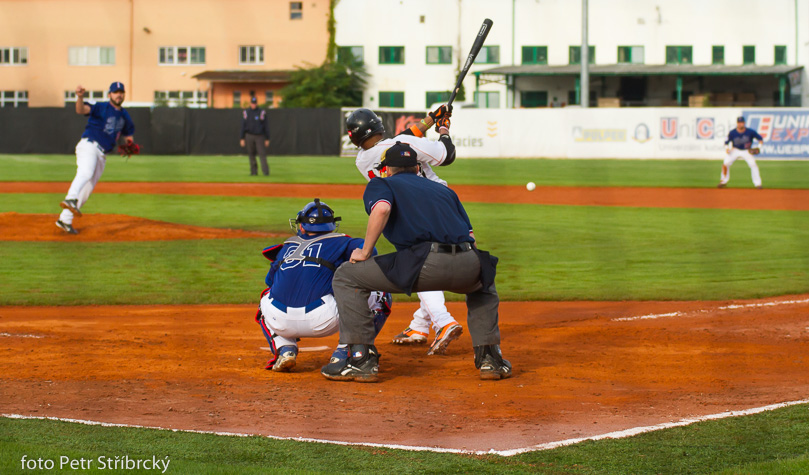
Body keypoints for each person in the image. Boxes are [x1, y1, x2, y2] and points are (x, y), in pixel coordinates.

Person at [322, 141, 512, 383]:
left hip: (425, 263)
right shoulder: (444, 191)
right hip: (468, 263)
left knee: (347, 276)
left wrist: (365, 251)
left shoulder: (382, 183)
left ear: (387, 169)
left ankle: (361, 360)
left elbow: (381, 210)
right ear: (417, 168)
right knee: (484, 285)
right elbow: (471, 238)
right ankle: (490, 359)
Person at [345, 105, 462, 356]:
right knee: (423, 265)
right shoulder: (404, 141)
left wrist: (429, 119)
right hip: (437, 204)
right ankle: (443, 321)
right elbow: (447, 155)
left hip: (403, 210)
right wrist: (443, 129)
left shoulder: (363, 159)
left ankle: (419, 326)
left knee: (421, 263)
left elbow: (402, 139)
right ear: (378, 126)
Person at [254, 199, 392, 372]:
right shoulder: (343, 242)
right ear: (332, 226)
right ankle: (345, 351)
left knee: (266, 297)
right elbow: (370, 250)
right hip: (323, 320)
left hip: (279, 321)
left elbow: (270, 282)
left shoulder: (287, 246)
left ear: (301, 227)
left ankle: (284, 348)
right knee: (380, 293)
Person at [56, 82, 135, 234]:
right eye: (116, 92)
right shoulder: (101, 107)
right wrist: (80, 97)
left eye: (121, 92)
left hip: (102, 154)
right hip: (89, 146)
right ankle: (70, 198)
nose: (119, 95)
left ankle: (64, 220)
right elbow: (81, 110)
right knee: (85, 172)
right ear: (109, 94)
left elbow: (128, 134)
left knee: (86, 191)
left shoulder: (124, 115)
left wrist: (130, 145)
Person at [718, 116, 764, 189]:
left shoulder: (750, 132)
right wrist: (727, 148)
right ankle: (723, 181)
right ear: (737, 123)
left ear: (744, 123)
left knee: (753, 165)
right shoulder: (732, 132)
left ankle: (758, 184)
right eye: (739, 123)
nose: (740, 124)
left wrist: (759, 147)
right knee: (725, 163)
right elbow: (726, 142)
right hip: (735, 150)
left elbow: (760, 139)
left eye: (741, 123)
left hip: (747, 150)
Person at [240, 96, 271, 176]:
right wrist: (242, 138)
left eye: (255, 103)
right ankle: (254, 172)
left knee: (262, 154)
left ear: (257, 103)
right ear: (250, 103)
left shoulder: (261, 112)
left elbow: (266, 126)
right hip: (249, 135)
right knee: (251, 154)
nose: (253, 105)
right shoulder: (246, 112)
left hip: (259, 136)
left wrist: (267, 138)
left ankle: (265, 171)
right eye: (252, 103)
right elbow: (243, 125)